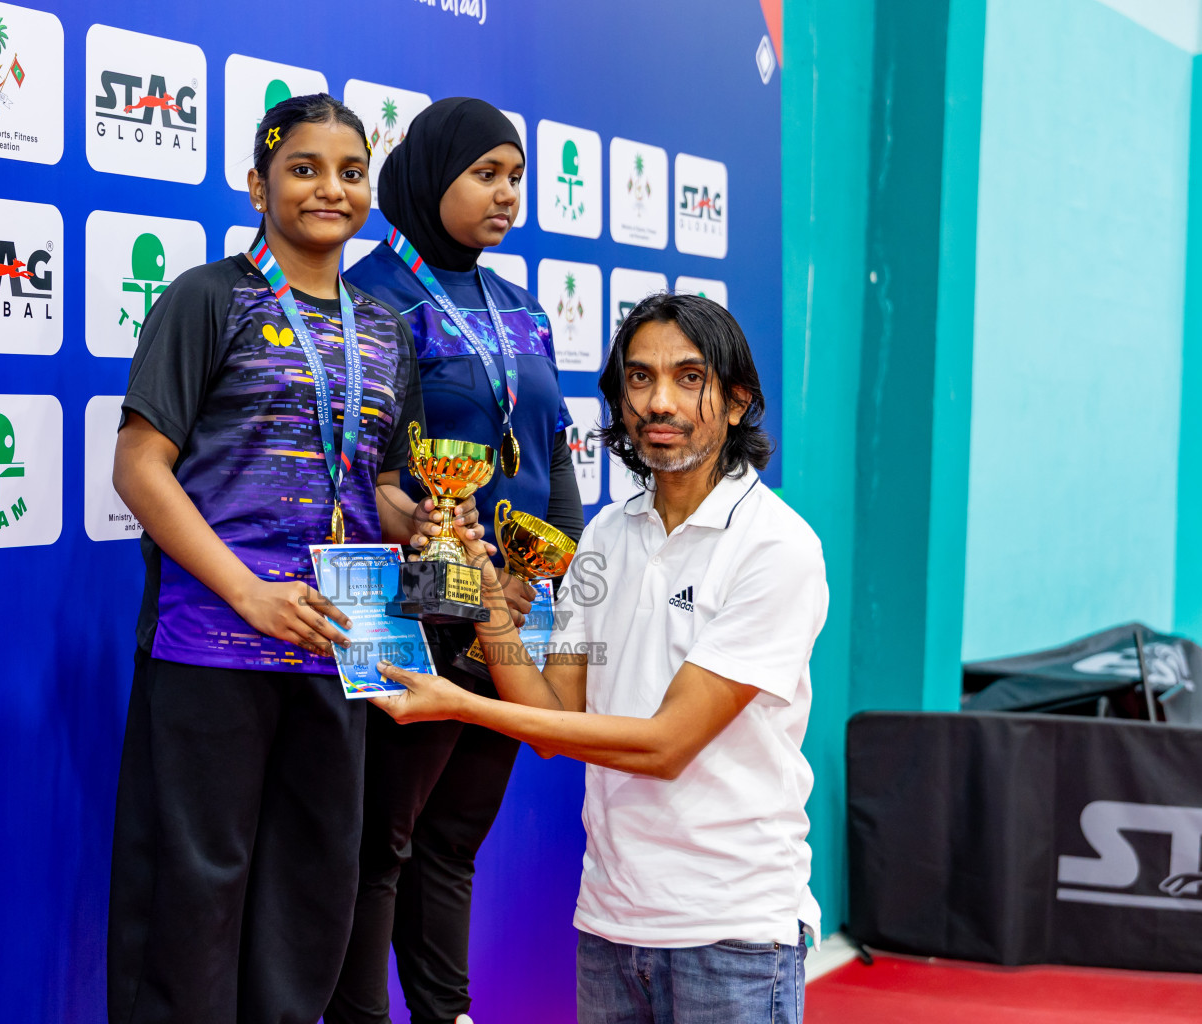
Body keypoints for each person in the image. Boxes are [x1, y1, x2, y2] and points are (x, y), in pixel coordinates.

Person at [106, 93, 478, 1024]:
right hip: (212, 647)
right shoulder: (209, 296)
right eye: (304, 167)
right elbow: (139, 467)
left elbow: (382, 485)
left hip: (339, 647)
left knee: (309, 899)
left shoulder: (387, 330)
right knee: (194, 899)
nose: (329, 188)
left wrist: (424, 526)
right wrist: (250, 594)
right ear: (258, 183)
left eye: (350, 171)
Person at [372, 293, 827, 1024]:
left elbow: (665, 745)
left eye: (689, 378)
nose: (659, 401)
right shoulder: (608, 537)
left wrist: (458, 702)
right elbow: (552, 718)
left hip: (733, 933)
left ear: (738, 402)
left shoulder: (776, 548)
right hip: (611, 925)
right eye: (639, 379)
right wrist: (487, 599)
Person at [329, 98, 583, 1024]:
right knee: (381, 842)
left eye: (515, 176)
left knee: (457, 839)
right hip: (408, 607)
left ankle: (448, 1013)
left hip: (510, 610)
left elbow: (553, 454)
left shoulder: (523, 309)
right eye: (486, 174)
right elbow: (372, 474)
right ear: (432, 176)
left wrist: (545, 573)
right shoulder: (370, 301)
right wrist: (453, 569)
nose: (507, 194)